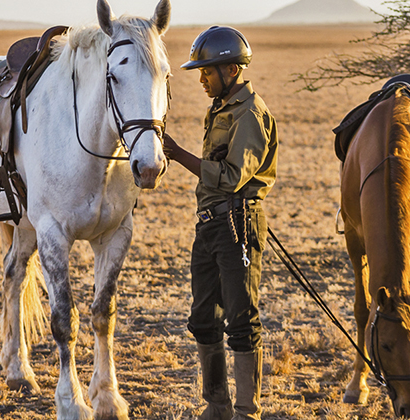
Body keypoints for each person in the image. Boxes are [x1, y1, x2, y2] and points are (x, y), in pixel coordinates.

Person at [162, 26, 278, 420]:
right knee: (202, 319)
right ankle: (217, 407)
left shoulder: (250, 113)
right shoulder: (223, 107)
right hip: (209, 224)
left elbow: (231, 177)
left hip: (237, 225)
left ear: (230, 69)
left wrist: (178, 154)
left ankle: (247, 412)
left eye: (207, 71)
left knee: (242, 321)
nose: (201, 79)